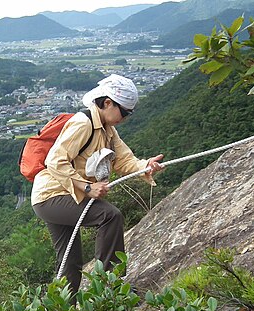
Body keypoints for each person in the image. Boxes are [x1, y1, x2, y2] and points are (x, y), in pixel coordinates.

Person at [31, 74, 164, 295]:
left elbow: (123, 160)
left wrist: (145, 165)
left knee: (69, 262)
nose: (126, 117)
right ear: (108, 103)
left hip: (60, 196)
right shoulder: (83, 123)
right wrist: (87, 187)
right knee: (109, 216)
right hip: (52, 196)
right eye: (124, 111)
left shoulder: (108, 130)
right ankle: (108, 287)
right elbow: (54, 160)